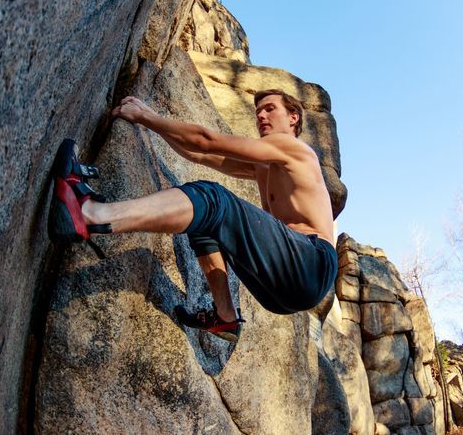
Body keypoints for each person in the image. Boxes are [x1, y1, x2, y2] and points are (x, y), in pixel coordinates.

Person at [48, 89, 338, 342]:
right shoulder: (264, 167)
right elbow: (199, 155)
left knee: (214, 199)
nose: (261, 115)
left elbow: (206, 140)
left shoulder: (294, 149)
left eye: (270, 108)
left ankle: (89, 214)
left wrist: (145, 117)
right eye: (258, 110)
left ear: (293, 118)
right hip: (282, 293)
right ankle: (225, 316)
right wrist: (152, 122)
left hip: (312, 262)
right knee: (203, 222)